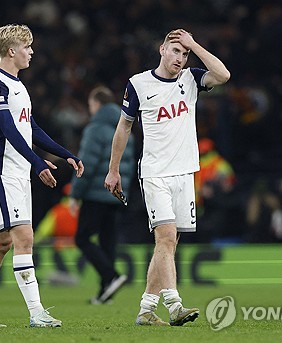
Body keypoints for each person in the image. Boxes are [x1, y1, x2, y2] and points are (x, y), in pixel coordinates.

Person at [104, 28, 230, 326]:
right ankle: (174, 306)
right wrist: (113, 170)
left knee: (169, 243)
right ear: (162, 50)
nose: (180, 58)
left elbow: (223, 75)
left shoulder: (191, 79)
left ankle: (146, 310)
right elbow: (123, 128)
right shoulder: (139, 84)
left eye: (184, 54)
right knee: (165, 237)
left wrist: (194, 44)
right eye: (176, 51)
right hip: (155, 173)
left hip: (185, 174)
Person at [0, 24, 84, 328]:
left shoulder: (18, 85)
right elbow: (8, 130)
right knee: (24, 237)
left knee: (1, 242)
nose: (31, 51)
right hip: (2, 171)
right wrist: (37, 163)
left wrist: (65, 153)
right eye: (27, 47)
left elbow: (31, 129)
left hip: (17, 172)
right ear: (11, 51)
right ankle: (36, 312)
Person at [69, 85, 135, 304]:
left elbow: (86, 163)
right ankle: (105, 292)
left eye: (90, 105)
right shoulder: (124, 125)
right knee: (108, 241)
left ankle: (111, 276)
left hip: (95, 193)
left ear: (96, 104)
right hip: (115, 193)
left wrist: (75, 194)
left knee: (82, 238)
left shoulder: (96, 128)